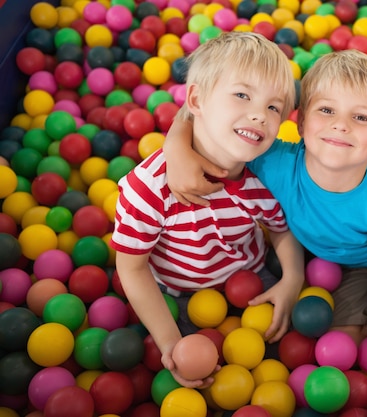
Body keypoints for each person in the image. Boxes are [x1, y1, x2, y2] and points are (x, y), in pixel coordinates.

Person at [162, 49, 367, 369]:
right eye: (326, 110)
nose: (341, 125)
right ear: (302, 121)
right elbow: (210, 116)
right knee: (336, 348)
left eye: (361, 117)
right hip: (346, 268)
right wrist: (175, 147)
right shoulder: (275, 162)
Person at [110, 32, 305, 388]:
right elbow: (131, 267)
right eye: (242, 95)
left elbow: (280, 228)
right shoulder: (149, 188)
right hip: (177, 294)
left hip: (251, 280)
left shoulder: (266, 178)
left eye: (273, 107)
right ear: (196, 99)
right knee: (194, 373)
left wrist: (292, 279)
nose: (259, 116)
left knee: (287, 356)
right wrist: (169, 341)